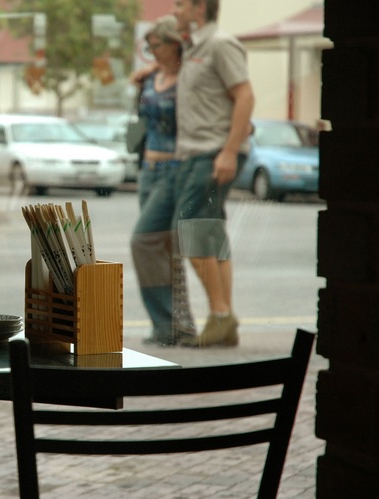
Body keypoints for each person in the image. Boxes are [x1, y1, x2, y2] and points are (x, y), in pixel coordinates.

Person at [172, 0, 255, 347]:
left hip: (211, 154)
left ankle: (221, 315)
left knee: (190, 232)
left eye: (179, 3)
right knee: (210, 235)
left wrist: (229, 151)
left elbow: (245, 96)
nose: (175, 10)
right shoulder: (194, 47)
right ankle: (224, 319)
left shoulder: (220, 44)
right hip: (197, 154)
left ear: (199, 7)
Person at [130, 15, 197, 347]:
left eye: (155, 45)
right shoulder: (151, 77)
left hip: (174, 171)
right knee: (165, 249)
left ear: (174, 44)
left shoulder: (190, 78)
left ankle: (165, 323)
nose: (150, 52)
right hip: (148, 171)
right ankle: (176, 327)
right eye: (148, 46)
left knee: (143, 241)